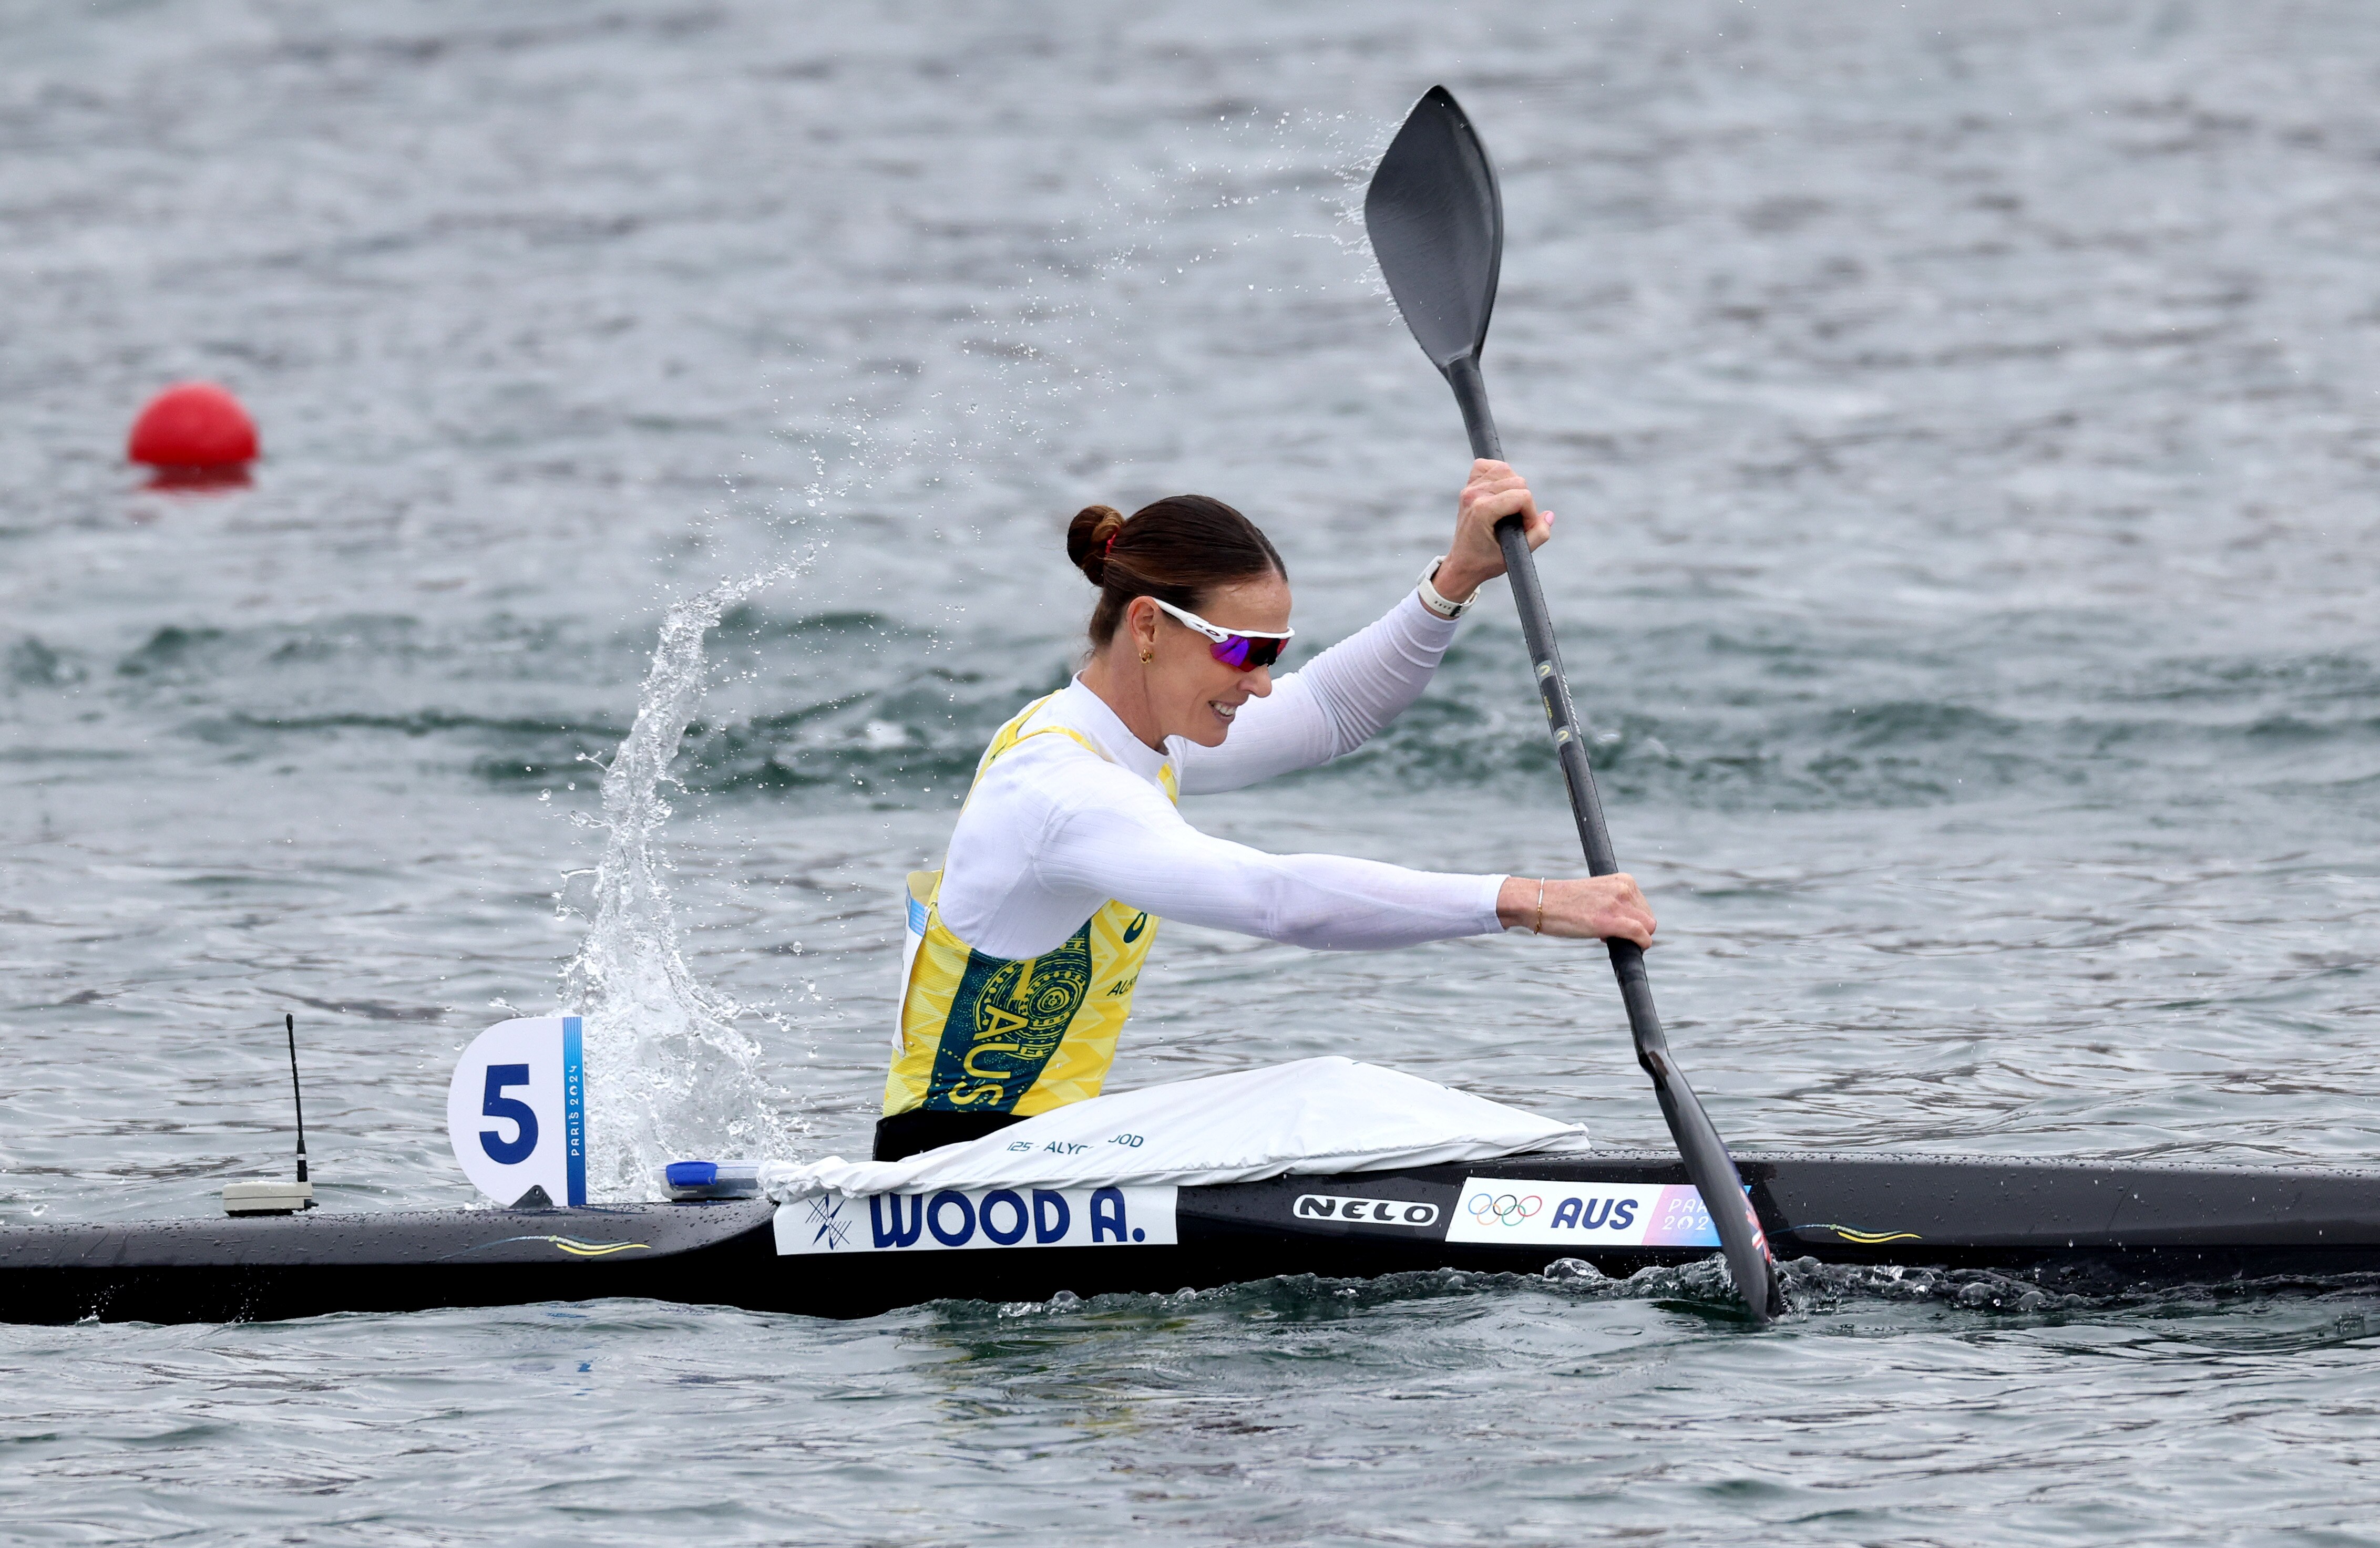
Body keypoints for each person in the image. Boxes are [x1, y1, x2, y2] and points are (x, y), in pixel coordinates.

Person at [875, 460, 1656, 1161]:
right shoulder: (1062, 790)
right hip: (950, 1176)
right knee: (1324, 1094)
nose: (1263, 682)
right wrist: (1531, 901)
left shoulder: (1128, 739)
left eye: (1273, 652)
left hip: (1043, 1157)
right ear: (1147, 624)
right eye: (1244, 651)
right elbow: (1275, 901)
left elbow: (1331, 707)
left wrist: (1456, 578)